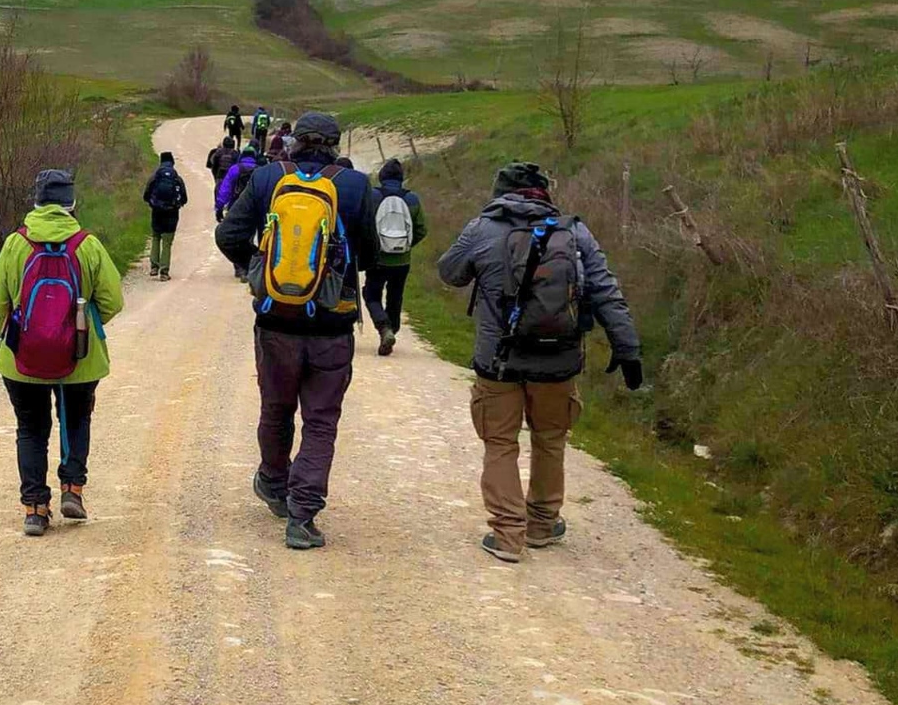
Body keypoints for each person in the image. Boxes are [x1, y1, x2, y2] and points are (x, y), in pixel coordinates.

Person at [436, 161, 642, 564]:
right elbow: (605, 292)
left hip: (499, 360)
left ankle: (508, 535)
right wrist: (628, 348)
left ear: (500, 193)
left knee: (500, 442)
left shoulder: (481, 228)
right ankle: (543, 525)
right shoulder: (575, 232)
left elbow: (450, 273)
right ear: (545, 192)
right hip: (558, 359)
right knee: (550, 439)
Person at [214, 113, 375, 550]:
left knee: (276, 407)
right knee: (321, 422)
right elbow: (376, 251)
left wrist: (259, 268)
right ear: (334, 143)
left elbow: (228, 234)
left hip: (275, 320)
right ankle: (302, 517)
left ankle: (273, 481)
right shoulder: (356, 186)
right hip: (333, 323)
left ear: (295, 142)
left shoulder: (268, 178)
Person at [0, 169, 127, 537]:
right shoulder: (87, 244)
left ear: (36, 201)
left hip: (22, 360)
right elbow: (113, 300)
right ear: (72, 203)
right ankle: (73, 490)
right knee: (77, 420)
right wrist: (78, 327)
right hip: (80, 358)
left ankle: (35, 509)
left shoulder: (16, 243)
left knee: (31, 429)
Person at [366, 157, 428, 356]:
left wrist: (371, 246)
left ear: (382, 176)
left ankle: (383, 327)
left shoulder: (373, 196)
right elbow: (421, 229)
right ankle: (392, 328)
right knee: (395, 296)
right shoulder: (412, 199)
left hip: (378, 258)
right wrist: (406, 246)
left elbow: (365, 225)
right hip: (402, 260)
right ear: (402, 178)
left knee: (371, 294)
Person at [213, 146, 260, 274]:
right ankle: (248, 267)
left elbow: (225, 189)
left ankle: (239, 267)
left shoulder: (235, 169)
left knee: (235, 236)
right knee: (249, 236)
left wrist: (219, 207)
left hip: (236, 206)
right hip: (253, 209)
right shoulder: (259, 171)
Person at [142, 150, 188, 280]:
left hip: (157, 212)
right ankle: (164, 272)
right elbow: (184, 198)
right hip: (172, 214)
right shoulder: (176, 178)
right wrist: (176, 204)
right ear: (172, 162)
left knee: (156, 237)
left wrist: (154, 204)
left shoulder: (155, 177)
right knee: (167, 242)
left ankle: (154, 267)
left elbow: (146, 195)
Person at [206, 137, 237, 219]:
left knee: (218, 189)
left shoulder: (218, 152)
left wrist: (216, 175)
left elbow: (214, 165)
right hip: (231, 175)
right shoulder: (235, 153)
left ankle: (218, 205)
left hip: (220, 174)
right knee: (232, 190)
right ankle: (229, 206)